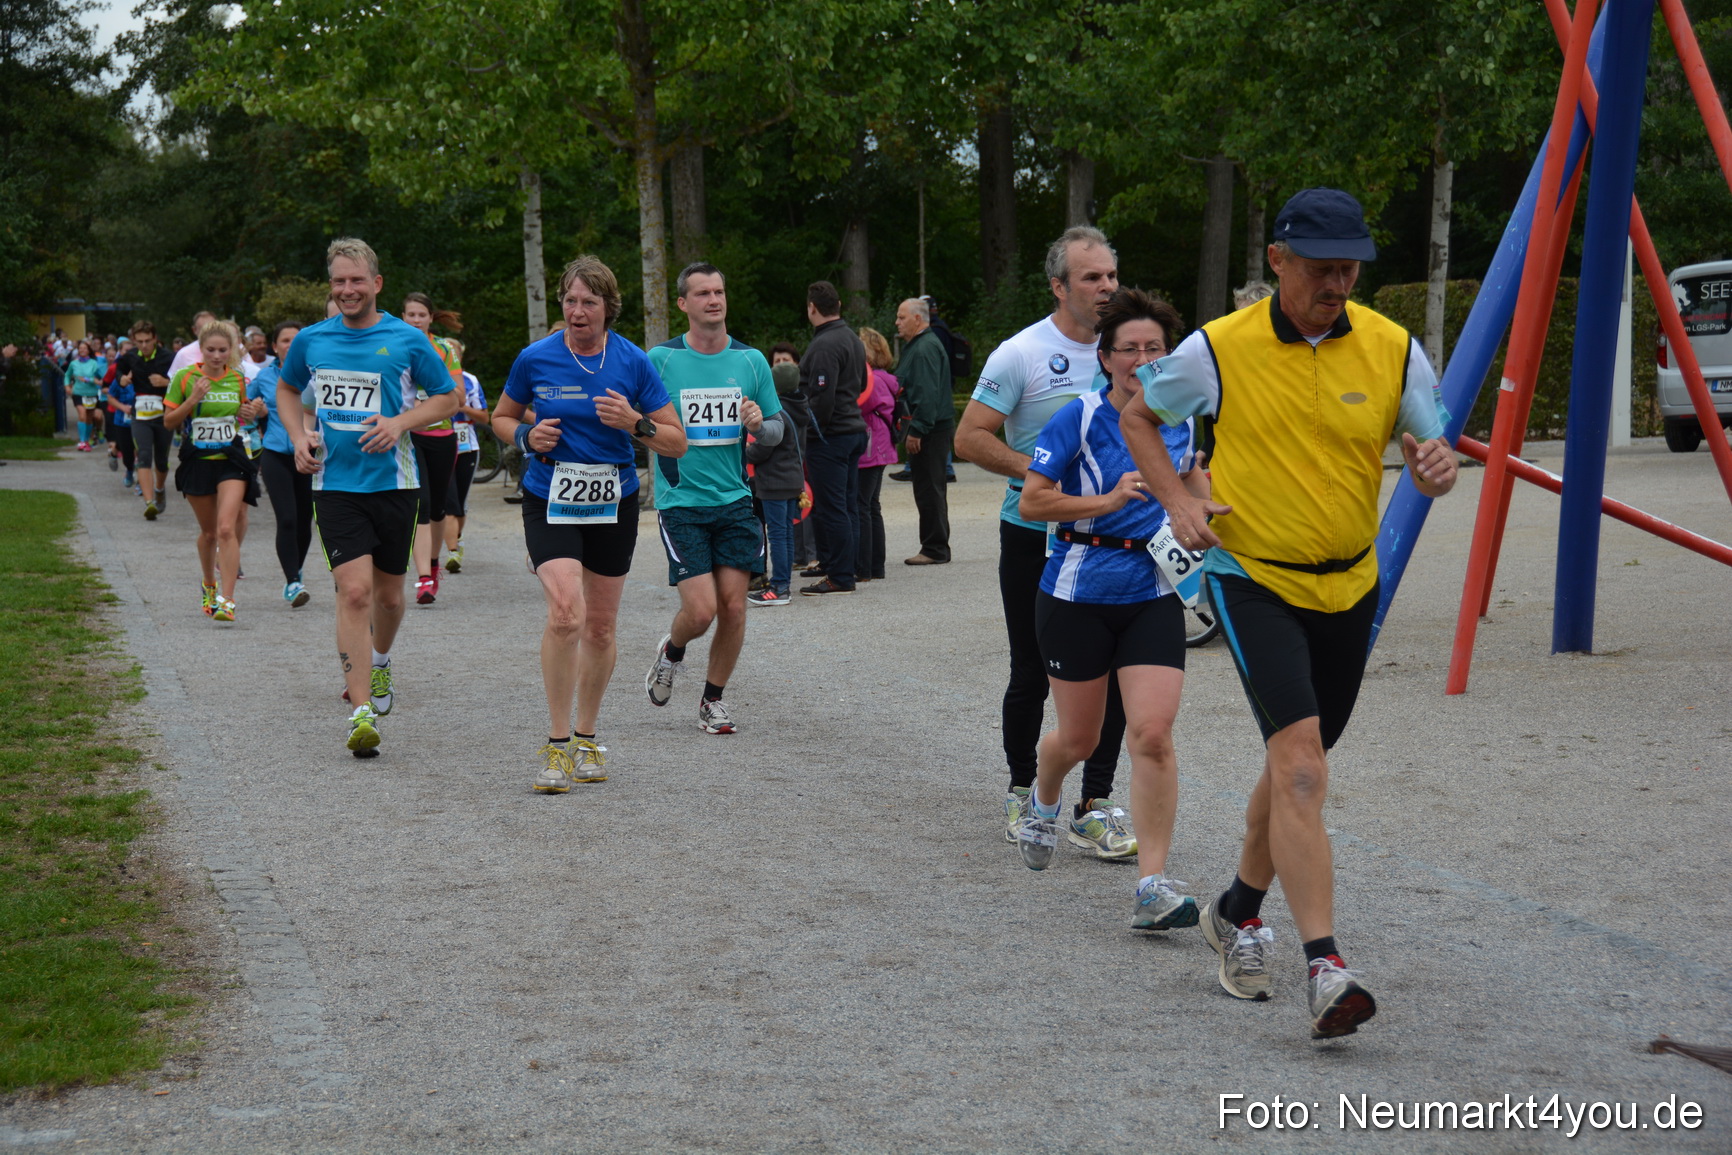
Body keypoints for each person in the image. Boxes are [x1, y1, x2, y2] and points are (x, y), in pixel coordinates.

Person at [1121, 188, 1458, 1040]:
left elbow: (1428, 445)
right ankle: (1326, 967)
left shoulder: (1392, 347)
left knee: (1291, 765)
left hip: (1351, 585)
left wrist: (1433, 465)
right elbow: (1138, 416)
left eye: (1349, 267)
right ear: (1277, 260)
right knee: (1304, 769)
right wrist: (1176, 503)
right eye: (1320, 267)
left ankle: (1238, 905)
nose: (1337, 282)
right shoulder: (1215, 351)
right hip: (1255, 577)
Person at [1014, 288, 1207, 926]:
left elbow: (1195, 488)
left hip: (1151, 591)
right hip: (1076, 592)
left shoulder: (1184, 420)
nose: (1143, 359)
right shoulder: (1078, 416)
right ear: (1105, 358)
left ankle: (1152, 886)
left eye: (1155, 348)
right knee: (1080, 737)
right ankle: (1043, 804)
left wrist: (1202, 504)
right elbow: (1033, 502)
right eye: (1130, 349)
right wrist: (1106, 502)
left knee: (1152, 734)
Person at [955, 226, 1137, 861]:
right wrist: (1038, 469)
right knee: (1033, 667)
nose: (1107, 287)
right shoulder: (1022, 352)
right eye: (1092, 278)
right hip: (1038, 534)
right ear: (1059, 286)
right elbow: (970, 436)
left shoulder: (1136, 350)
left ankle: (1094, 805)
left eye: (1112, 275)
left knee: (1113, 674)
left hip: (1119, 540)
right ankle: (1022, 789)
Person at [493, 254, 684, 791]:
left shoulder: (633, 362)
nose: (578, 312)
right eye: (570, 302)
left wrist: (635, 423)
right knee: (565, 614)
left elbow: (676, 441)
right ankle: (556, 747)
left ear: (608, 308)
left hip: (613, 501)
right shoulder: (536, 359)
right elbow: (501, 416)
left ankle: (586, 736)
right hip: (550, 495)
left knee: (599, 626)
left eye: (589, 303)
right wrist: (525, 438)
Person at [277, 237, 461, 757]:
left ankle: (379, 663)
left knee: (389, 597)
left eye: (357, 280)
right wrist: (298, 437)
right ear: (330, 286)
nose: (348, 289)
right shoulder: (313, 340)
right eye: (339, 281)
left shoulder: (405, 340)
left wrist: (399, 422)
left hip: (395, 484)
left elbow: (451, 396)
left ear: (376, 284)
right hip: (334, 486)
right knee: (353, 593)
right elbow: (288, 392)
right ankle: (361, 712)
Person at [641, 263, 782, 732]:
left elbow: (778, 431)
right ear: (683, 303)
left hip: (734, 499)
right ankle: (672, 650)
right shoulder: (659, 359)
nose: (714, 300)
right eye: (702, 293)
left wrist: (760, 425)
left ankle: (712, 701)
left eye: (719, 291)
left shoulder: (751, 361)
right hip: (681, 501)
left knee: (735, 607)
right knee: (701, 611)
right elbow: (631, 421)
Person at [163, 321, 264, 622]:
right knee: (208, 533)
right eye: (211, 350)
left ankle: (227, 600)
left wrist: (249, 412)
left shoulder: (237, 378)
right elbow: (168, 421)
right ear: (201, 349)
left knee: (225, 529)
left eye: (223, 350)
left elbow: (242, 415)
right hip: (198, 460)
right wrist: (193, 399)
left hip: (231, 458)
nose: (217, 356)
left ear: (231, 350)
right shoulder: (185, 377)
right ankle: (209, 583)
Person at [797, 281, 867, 595]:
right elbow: (863, 381)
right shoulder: (852, 338)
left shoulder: (825, 344)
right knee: (847, 505)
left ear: (812, 307)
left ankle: (840, 576)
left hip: (832, 435)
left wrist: (810, 432)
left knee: (831, 506)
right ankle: (845, 566)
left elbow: (821, 398)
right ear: (838, 304)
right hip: (852, 429)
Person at [401, 292, 464, 605]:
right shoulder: (394, 346)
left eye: (420, 315)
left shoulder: (444, 349)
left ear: (430, 318)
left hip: (442, 437)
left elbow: (459, 397)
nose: (415, 320)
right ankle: (424, 578)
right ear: (403, 317)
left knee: (439, 508)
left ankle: (435, 563)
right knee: (421, 505)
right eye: (410, 315)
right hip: (410, 438)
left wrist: (427, 405)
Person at [249, 321, 315, 607]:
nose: (290, 344)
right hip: (276, 453)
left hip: (311, 454)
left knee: (304, 521)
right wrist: (256, 412)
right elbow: (243, 411)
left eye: (296, 339)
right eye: (284, 340)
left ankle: (296, 569)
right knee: (287, 518)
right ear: (274, 347)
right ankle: (292, 582)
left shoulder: (319, 375)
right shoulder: (264, 377)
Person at [893, 298, 953, 565]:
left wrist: (916, 431)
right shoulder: (918, 346)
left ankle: (935, 548)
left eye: (901, 317)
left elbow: (927, 395)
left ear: (918, 319)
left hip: (930, 430)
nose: (897, 322)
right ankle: (934, 545)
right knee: (928, 487)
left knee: (930, 489)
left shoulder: (925, 348)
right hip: (930, 427)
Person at [746, 354, 806, 606]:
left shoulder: (776, 411)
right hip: (792, 480)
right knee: (787, 534)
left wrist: (742, 453)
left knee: (777, 534)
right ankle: (784, 584)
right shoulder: (799, 406)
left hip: (775, 482)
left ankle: (780, 587)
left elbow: (764, 447)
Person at [115, 321, 176, 518]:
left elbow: (184, 381)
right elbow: (118, 370)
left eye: (147, 341)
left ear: (155, 339)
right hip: (140, 414)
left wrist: (166, 382)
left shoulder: (169, 357)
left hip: (164, 414)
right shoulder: (130, 357)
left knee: (161, 460)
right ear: (134, 340)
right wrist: (121, 379)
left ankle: (159, 489)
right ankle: (149, 503)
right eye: (139, 341)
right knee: (143, 455)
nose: (143, 345)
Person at [854, 327, 901, 581]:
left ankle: (866, 566)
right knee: (871, 505)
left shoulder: (873, 380)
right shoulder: (886, 378)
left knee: (863, 505)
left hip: (871, 448)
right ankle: (875, 565)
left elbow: (860, 403)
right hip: (881, 446)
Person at [442, 340, 489, 573]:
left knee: (459, 504)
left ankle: (457, 541)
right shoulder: (430, 377)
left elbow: (484, 417)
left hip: (466, 448)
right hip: (440, 447)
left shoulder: (470, 381)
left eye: (456, 353)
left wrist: (462, 408)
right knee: (449, 503)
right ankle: (452, 552)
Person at [769, 342, 816, 570]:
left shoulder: (779, 408)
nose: (780, 366)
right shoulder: (801, 404)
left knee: (790, 520)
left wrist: (752, 453)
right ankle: (798, 557)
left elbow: (768, 443)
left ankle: (807, 556)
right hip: (794, 467)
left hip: (784, 470)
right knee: (791, 519)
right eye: (776, 362)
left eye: (785, 361)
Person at [64, 340, 106, 450]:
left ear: (88, 351)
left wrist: (89, 379)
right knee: (82, 414)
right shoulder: (74, 363)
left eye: (85, 348)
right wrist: (67, 386)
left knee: (88, 418)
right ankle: (82, 441)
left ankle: (87, 440)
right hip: (78, 393)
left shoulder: (94, 363)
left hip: (91, 394)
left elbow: (101, 379)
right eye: (80, 348)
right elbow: (67, 375)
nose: (82, 350)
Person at [167, 311, 219, 377]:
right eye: (203, 330)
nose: (208, 333)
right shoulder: (183, 354)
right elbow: (173, 381)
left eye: (212, 328)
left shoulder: (227, 352)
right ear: (194, 330)